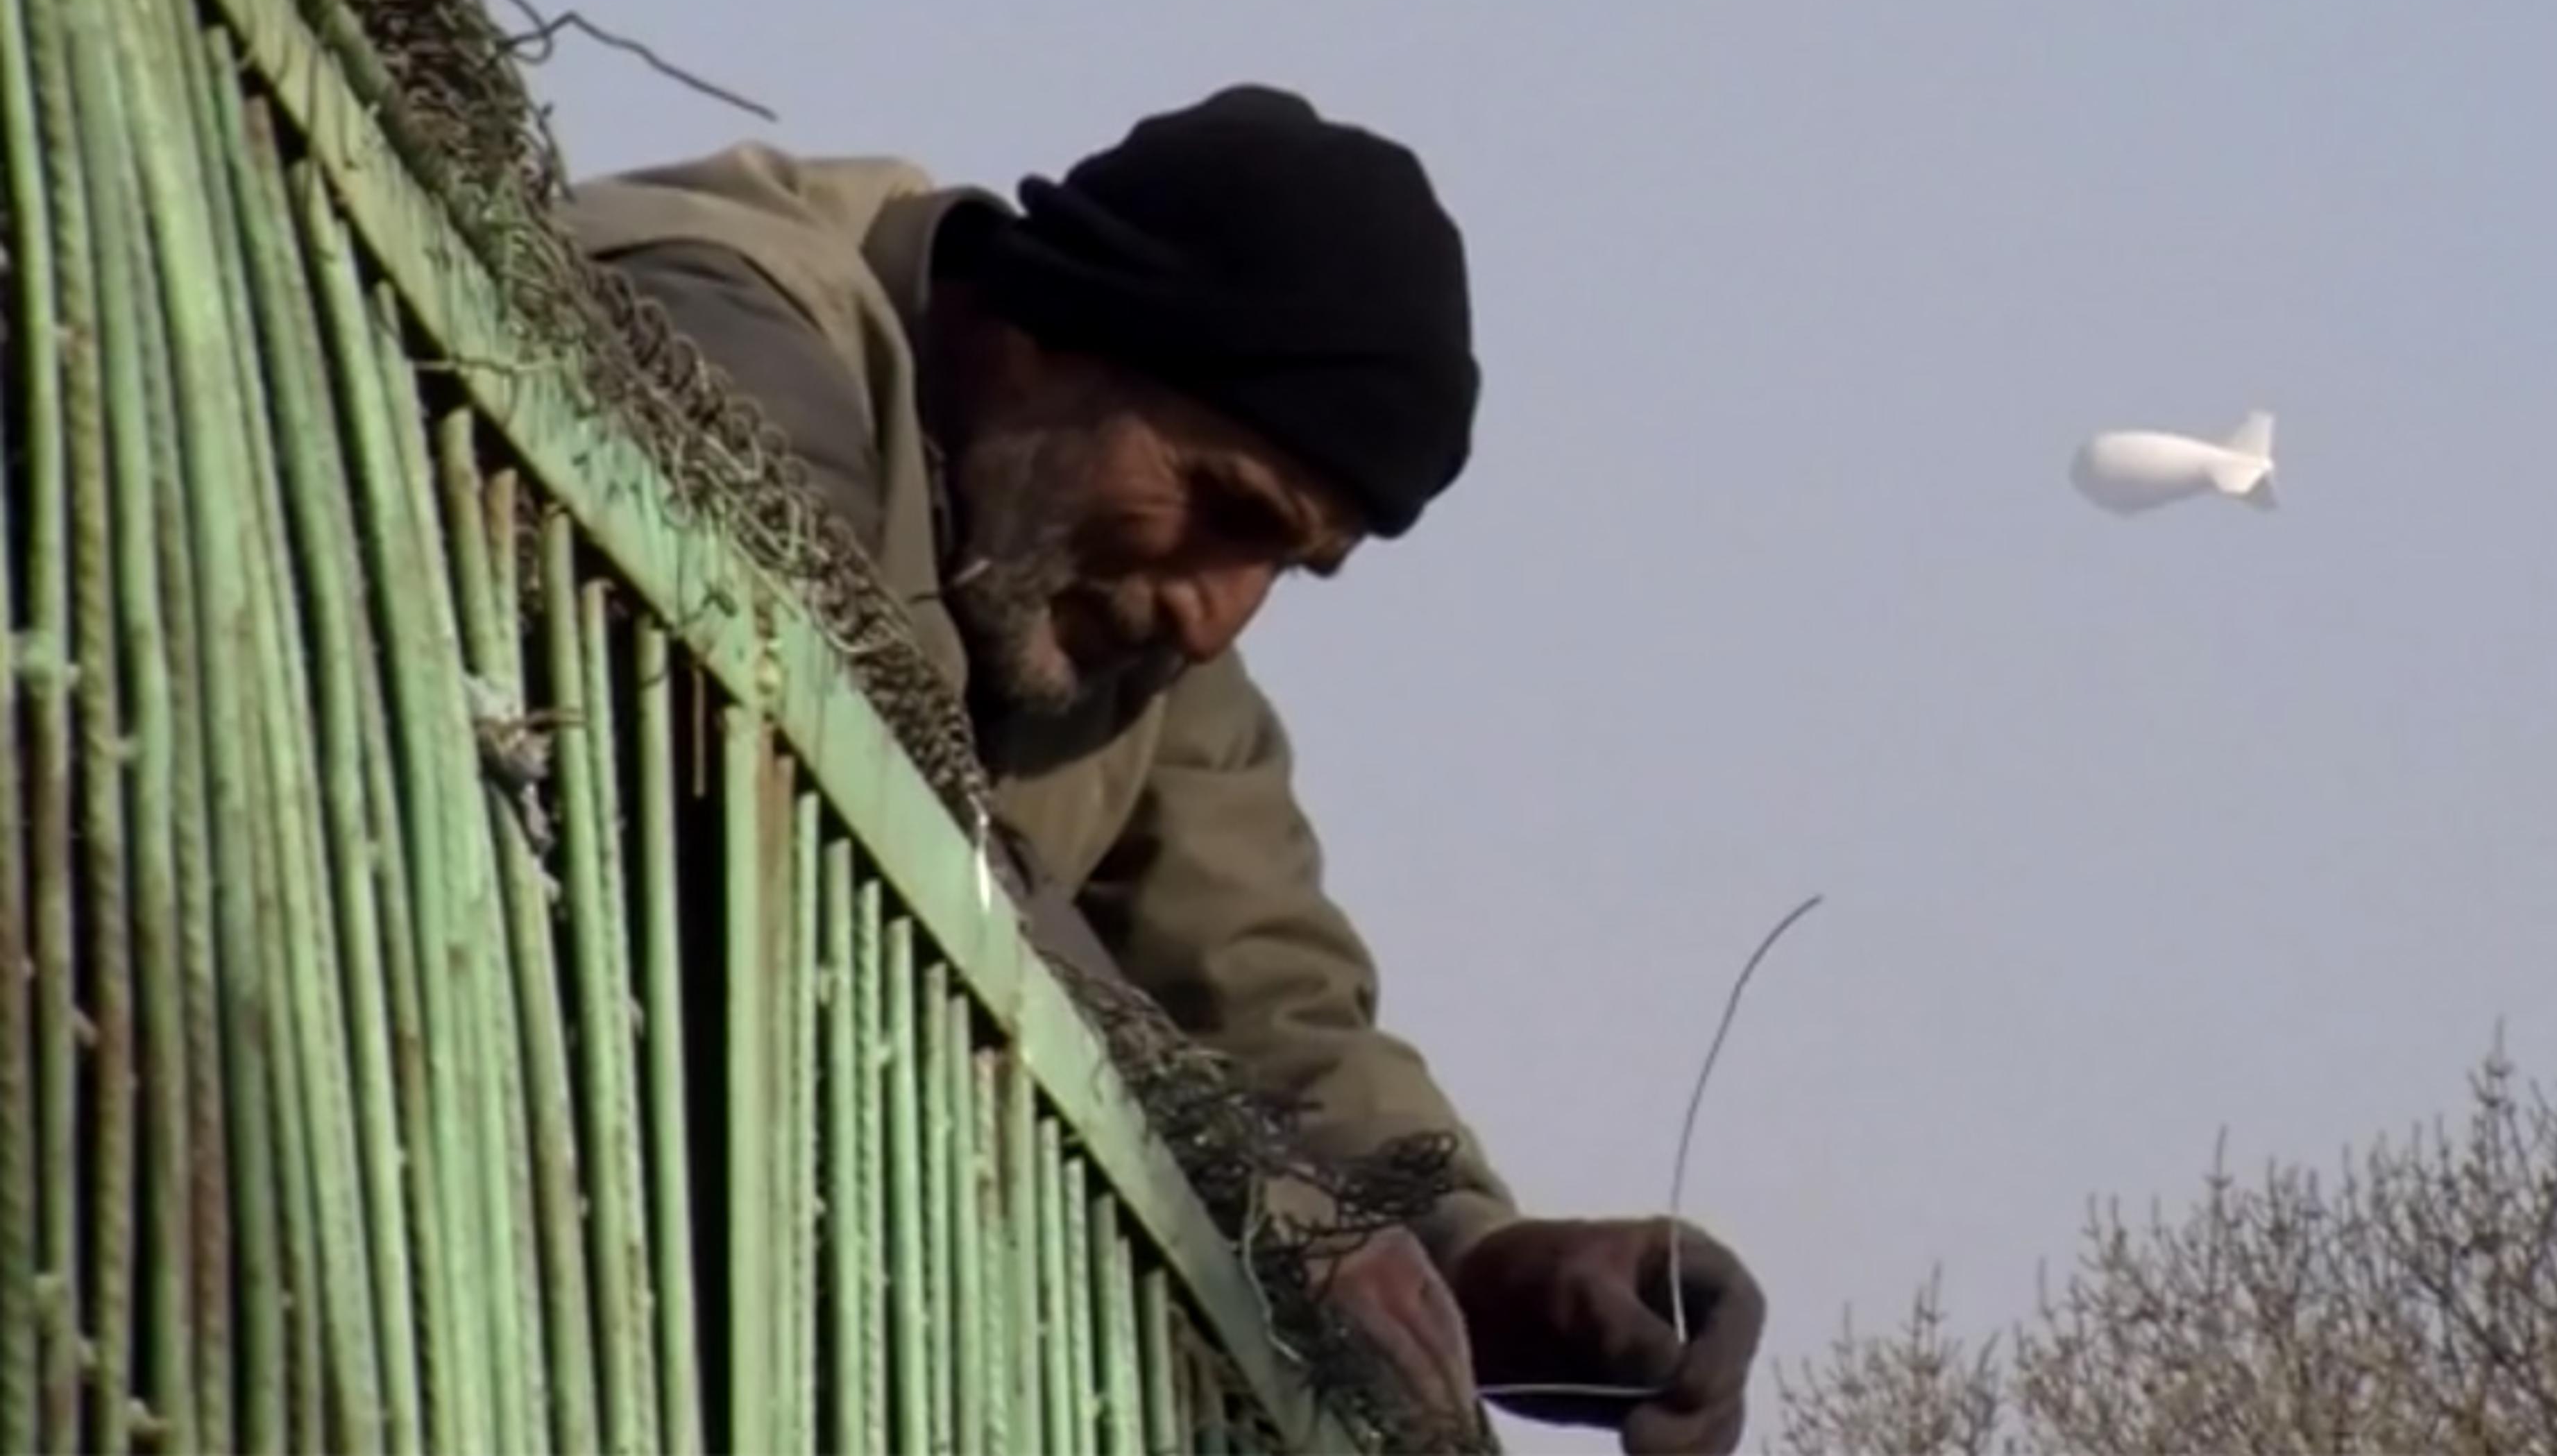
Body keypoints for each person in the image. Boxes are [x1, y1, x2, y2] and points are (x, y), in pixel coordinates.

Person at [554, 83, 1765, 1454]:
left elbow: (1264, 998)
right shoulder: (726, 311)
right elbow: (855, 790)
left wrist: (1479, 1261)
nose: (1215, 615)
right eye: (1221, 506)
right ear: (1034, 336)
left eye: (1288, 566)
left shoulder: (1120, 619)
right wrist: (1280, 1216)